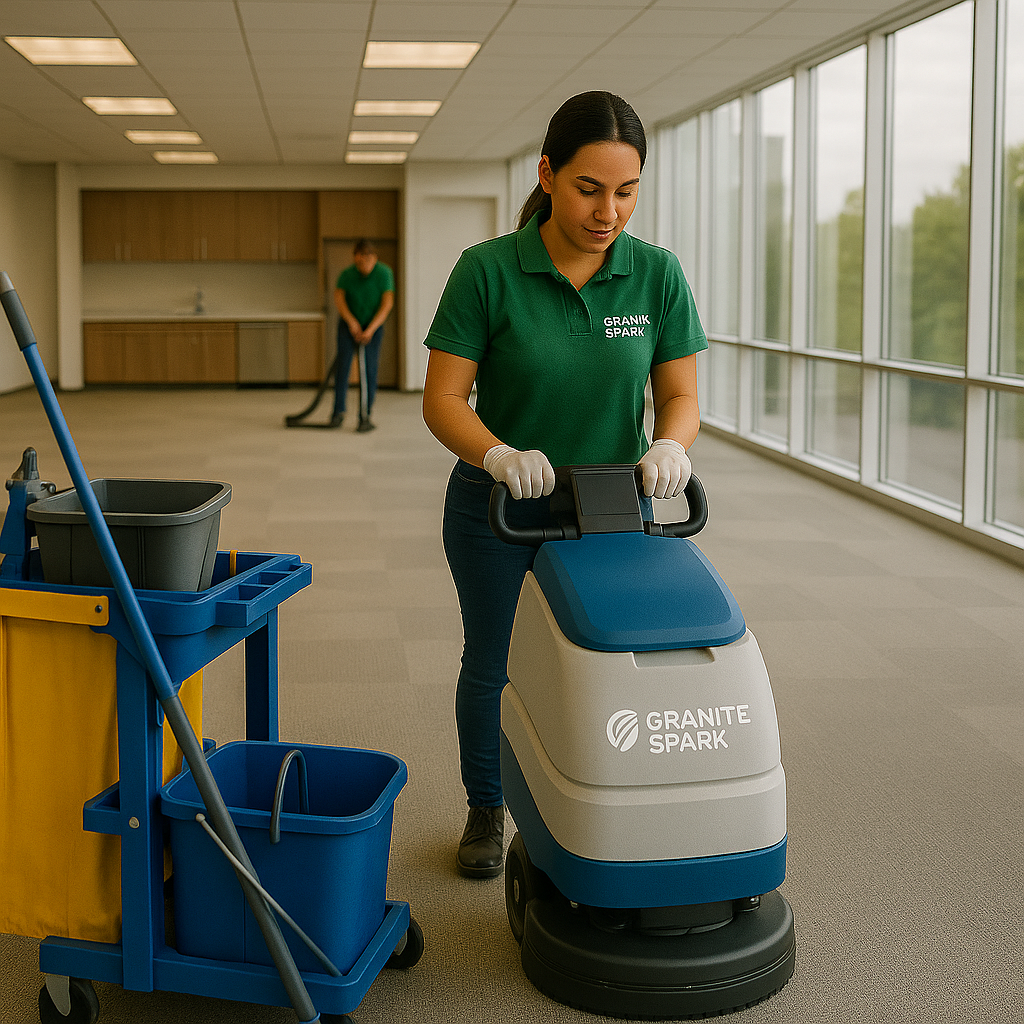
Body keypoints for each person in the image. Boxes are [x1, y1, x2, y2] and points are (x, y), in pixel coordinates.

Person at [421, 91, 708, 878]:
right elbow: (442, 400)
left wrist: (671, 446)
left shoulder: (656, 275)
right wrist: (498, 454)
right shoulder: (487, 271)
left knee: (607, 657)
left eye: (627, 191)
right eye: (589, 188)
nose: (608, 210)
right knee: (496, 661)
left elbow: (679, 396)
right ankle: (487, 807)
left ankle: (600, 795)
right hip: (499, 506)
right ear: (548, 175)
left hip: (611, 503)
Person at [331, 239, 394, 432]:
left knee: (369, 369)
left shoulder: (384, 273)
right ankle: (338, 413)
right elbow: (340, 300)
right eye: (359, 262)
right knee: (343, 366)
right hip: (349, 324)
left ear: (374, 258)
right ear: (355, 258)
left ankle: (364, 415)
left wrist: (370, 329)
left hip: (372, 326)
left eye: (367, 261)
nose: (363, 266)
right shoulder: (347, 275)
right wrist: (352, 323)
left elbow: (387, 304)